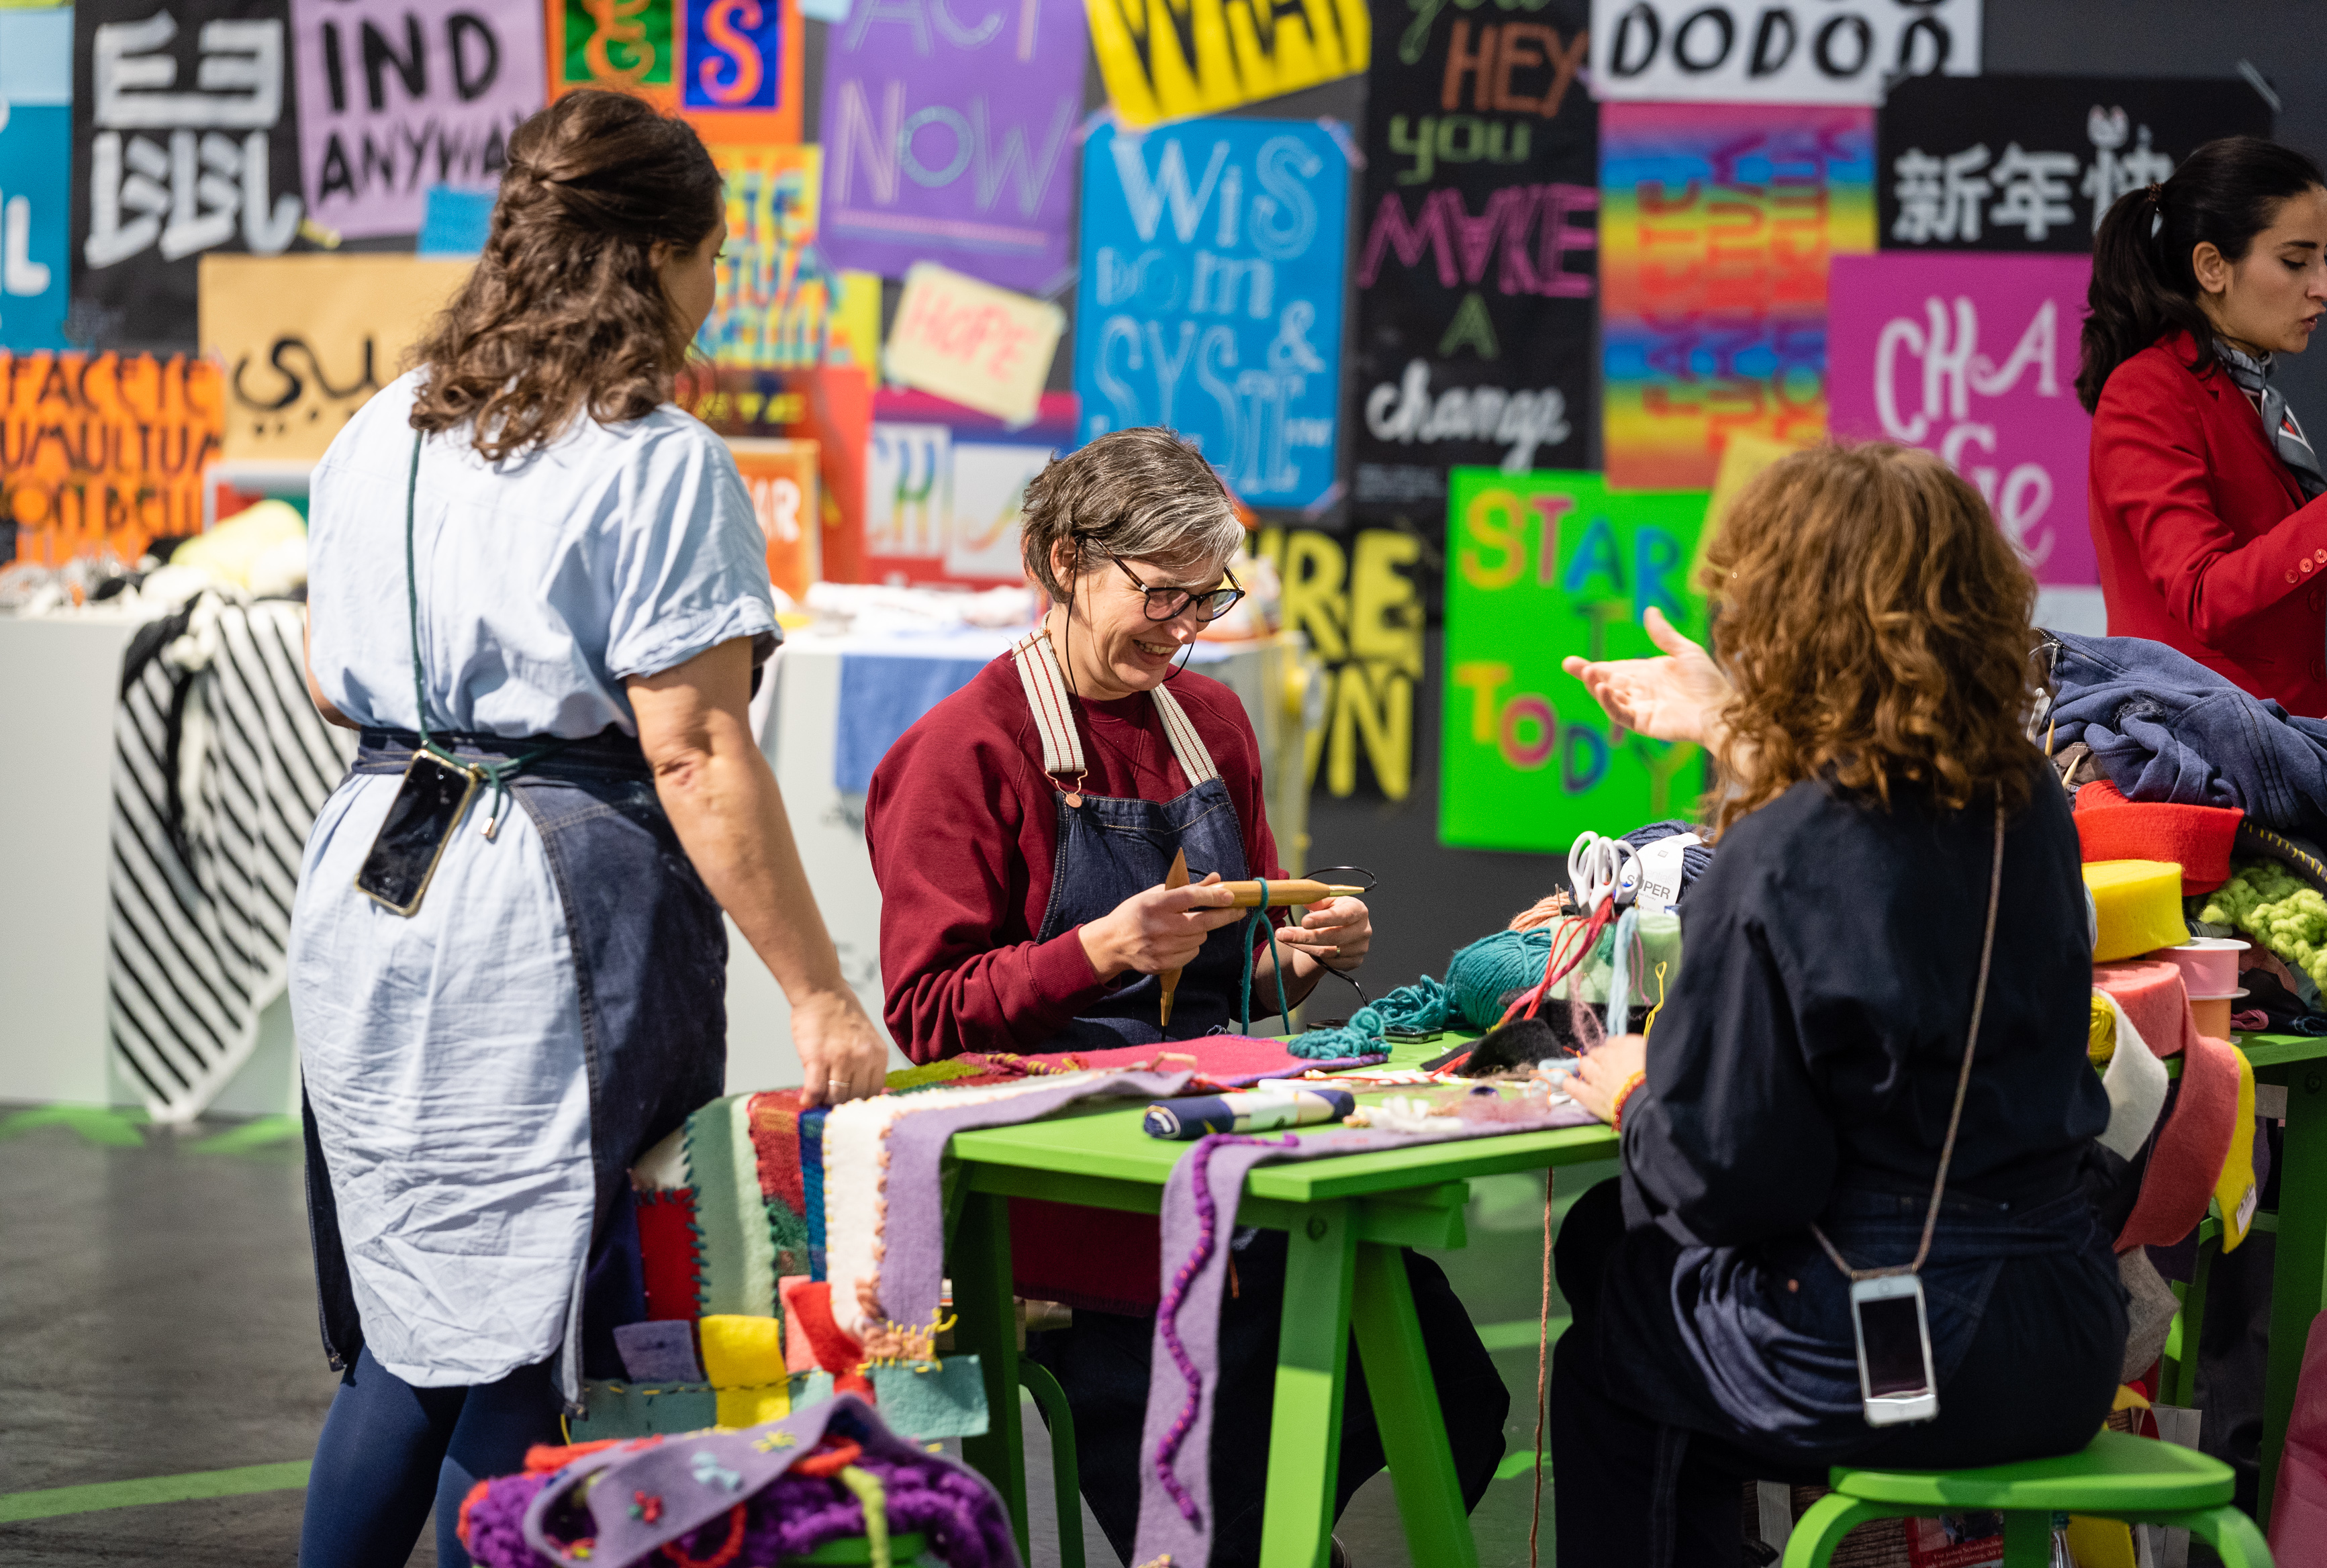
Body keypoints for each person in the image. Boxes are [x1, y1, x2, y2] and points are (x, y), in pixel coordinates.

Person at [289, 91, 888, 1568]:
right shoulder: (654, 457)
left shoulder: (381, 427)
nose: (713, 291)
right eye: (710, 257)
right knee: (532, 1330)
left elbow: (323, 676)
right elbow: (691, 748)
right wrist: (819, 987)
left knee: (412, 1320)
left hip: (370, 871)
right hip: (538, 904)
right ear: (659, 256)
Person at [862, 427, 1507, 1563]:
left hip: (1219, 1139)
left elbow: (1232, 976)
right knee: (1217, 1513)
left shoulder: (1211, 725)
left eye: (1206, 603)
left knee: (1457, 1405)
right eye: (1161, 597)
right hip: (1073, 1183)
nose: (1184, 632)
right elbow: (926, 1014)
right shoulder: (964, 752)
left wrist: (1303, 952)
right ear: (1066, 561)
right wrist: (1097, 949)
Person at [1550, 443, 2128, 1567]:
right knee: (1614, 1257)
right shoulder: (2030, 809)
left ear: (1781, 623)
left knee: (1615, 1348)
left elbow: (1735, 1179)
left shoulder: (1777, 850)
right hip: (2066, 1330)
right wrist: (1736, 732)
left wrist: (1635, 1098)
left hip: (1904, 1340)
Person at [2081, 135, 2327, 717]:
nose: (2324, 287)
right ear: (2211, 267)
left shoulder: (2244, 393)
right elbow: (2202, 594)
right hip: (2199, 769)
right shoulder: (2147, 389)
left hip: (2272, 754)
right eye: (2296, 261)